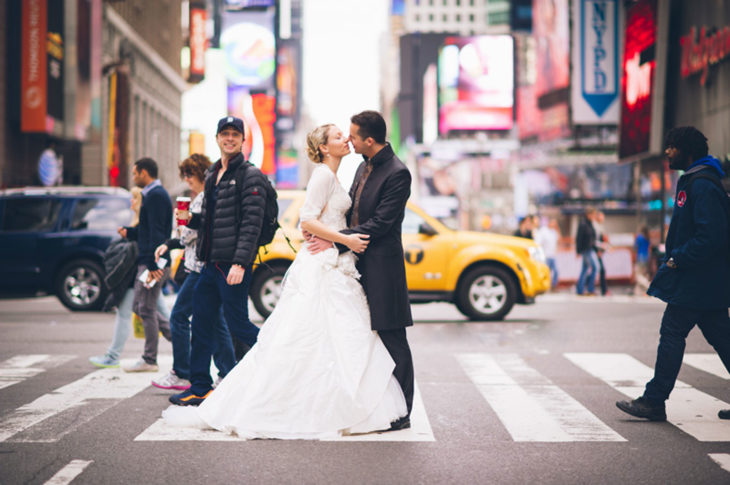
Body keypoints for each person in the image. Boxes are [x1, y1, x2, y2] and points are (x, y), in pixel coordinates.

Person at [162, 124, 407, 438]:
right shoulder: (321, 175)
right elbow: (307, 219)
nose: (345, 139)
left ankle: (325, 399)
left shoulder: (336, 175)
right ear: (322, 148)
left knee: (326, 338)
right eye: (336, 137)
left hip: (331, 262)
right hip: (321, 265)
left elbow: (319, 220)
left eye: (345, 136)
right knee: (300, 336)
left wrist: (335, 240)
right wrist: (340, 240)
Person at [308, 110, 415, 431]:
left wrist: (336, 243)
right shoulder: (361, 166)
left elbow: (381, 222)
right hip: (353, 266)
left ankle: (402, 411)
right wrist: (326, 233)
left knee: (392, 335)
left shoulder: (398, 173)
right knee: (361, 339)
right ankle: (372, 403)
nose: (349, 141)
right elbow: (348, 211)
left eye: (353, 136)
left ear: (369, 140)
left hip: (382, 267)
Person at [616, 126, 730, 422]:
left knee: (672, 332)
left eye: (672, 147)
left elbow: (711, 236)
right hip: (705, 280)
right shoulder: (696, 180)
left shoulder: (702, 184)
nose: (667, 152)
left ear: (687, 150)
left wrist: (678, 259)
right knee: (722, 337)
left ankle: (654, 401)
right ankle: (654, 400)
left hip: (698, 280)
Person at [168, 116, 264, 405]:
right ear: (218, 138)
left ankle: (280, 361)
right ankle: (200, 386)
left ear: (242, 140)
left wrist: (240, 263)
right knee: (202, 324)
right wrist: (190, 219)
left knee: (239, 326)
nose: (230, 138)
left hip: (233, 265)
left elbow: (252, 223)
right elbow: (210, 219)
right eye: (225, 134)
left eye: (236, 134)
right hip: (209, 264)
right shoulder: (212, 174)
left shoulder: (250, 175)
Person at [151, 154, 236, 390]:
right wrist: (170, 242)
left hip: (199, 268)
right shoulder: (203, 197)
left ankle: (183, 372)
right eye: (185, 174)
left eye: (190, 173)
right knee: (216, 322)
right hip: (204, 267)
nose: (187, 179)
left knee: (178, 316)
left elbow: (189, 235)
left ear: (200, 174)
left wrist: (183, 223)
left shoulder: (202, 200)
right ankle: (227, 372)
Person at [89, 187, 170, 368]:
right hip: (142, 274)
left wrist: (151, 267)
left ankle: (117, 356)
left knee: (133, 312)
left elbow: (149, 244)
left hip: (139, 274)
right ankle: (184, 345)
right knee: (157, 312)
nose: (131, 202)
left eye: (134, 199)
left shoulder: (144, 220)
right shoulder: (137, 222)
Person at [120, 158, 173, 372]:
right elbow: (147, 229)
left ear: (144, 172)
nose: (134, 177)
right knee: (139, 307)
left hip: (152, 263)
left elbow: (158, 232)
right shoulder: (151, 194)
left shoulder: (156, 195)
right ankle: (181, 341)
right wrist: (130, 232)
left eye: (135, 173)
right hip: (148, 261)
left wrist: (153, 264)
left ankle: (150, 359)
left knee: (147, 308)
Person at [575, 207, 598, 296]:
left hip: (590, 249)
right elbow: (579, 238)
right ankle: (590, 288)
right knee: (595, 268)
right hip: (586, 249)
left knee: (584, 269)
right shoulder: (583, 224)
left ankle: (580, 289)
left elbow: (593, 238)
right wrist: (578, 251)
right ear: (589, 214)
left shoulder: (590, 224)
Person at [535, 217, 560, 289]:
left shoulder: (554, 232)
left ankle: (553, 286)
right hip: (545, 255)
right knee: (546, 273)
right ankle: (545, 286)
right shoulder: (543, 231)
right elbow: (538, 242)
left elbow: (558, 240)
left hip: (552, 255)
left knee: (555, 271)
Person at [593, 211, 609, 296]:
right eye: (602, 217)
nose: (603, 219)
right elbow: (595, 241)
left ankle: (602, 290)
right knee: (600, 270)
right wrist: (599, 249)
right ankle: (603, 290)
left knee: (596, 270)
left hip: (598, 251)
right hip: (596, 251)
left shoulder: (599, 227)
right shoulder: (595, 227)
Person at [633, 225, 651, 296]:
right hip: (647, 257)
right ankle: (638, 292)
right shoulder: (647, 237)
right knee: (643, 274)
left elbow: (635, 247)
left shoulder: (639, 237)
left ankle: (648, 285)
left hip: (640, 257)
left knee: (638, 275)